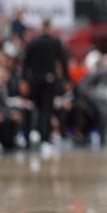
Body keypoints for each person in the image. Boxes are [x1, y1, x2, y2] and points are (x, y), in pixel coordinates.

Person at [22, 18, 70, 149]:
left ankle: (33, 134)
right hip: (49, 80)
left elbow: (25, 63)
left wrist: (25, 80)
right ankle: (44, 139)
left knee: (36, 107)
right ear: (49, 28)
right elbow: (64, 62)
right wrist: (67, 79)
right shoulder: (55, 43)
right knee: (46, 110)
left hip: (34, 81)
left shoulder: (33, 43)